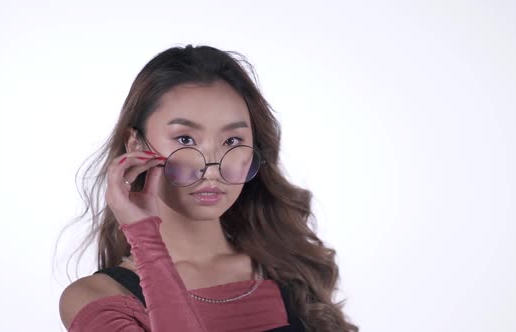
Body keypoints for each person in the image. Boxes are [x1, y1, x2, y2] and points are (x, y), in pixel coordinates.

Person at [58, 44, 358, 332]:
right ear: (136, 144)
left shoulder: (289, 271)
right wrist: (144, 239)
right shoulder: (98, 298)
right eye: (186, 140)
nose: (213, 168)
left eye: (232, 141)